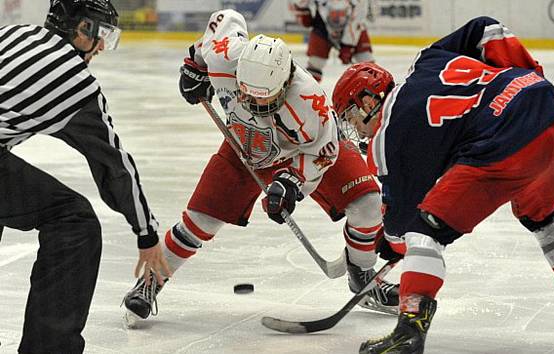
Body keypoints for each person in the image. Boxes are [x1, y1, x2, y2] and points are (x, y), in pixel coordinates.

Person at [332, 16, 554, 354]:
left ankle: (409, 330)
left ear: (367, 103)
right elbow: (486, 28)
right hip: (552, 120)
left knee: (425, 233)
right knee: (541, 217)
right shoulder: (429, 59)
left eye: (350, 118)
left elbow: (400, 227)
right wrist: (530, 76)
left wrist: (388, 247)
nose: (355, 129)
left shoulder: (386, 140)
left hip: (504, 145)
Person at [121, 9, 399, 326]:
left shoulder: (311, 103)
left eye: (266, 101)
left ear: (286, 81)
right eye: (248, 97)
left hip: (298, 153)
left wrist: (291, 182)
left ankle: (363, 276)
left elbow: (323, 152)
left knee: (367, 204)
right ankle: (150, 283)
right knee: (199, 222)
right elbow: (224, 19)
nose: (256, 107)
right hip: (246, 147)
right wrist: (195, 64)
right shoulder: (226, 55)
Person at [0, 0, 171, 352]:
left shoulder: (14, 35)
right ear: (82, 31)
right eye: (103, 34)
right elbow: (114, 166)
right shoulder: (74, 81)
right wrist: (147, 232)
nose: (104, 46)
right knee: (75, 222)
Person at [290, 0, 374, 82]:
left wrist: (348, 45)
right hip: (322, 27)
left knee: (366, 61)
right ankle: (308, 91)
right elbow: (300, 4)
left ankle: (375, 85)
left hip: (353, 27)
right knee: (316, 63)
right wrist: (303, 12)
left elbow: (359, 14)